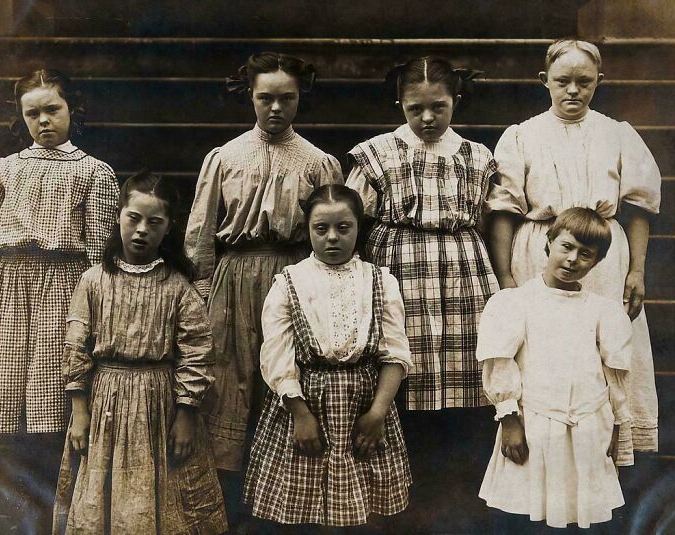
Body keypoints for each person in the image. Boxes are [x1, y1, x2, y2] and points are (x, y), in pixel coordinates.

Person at [184, 51, 343, 525]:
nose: (276, 108)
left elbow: (329, 227)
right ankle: (226, 505)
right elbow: (201, 230)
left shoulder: (318, 163)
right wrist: (203, 288)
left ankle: (285, 502)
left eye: (287, 99)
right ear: (250, 97)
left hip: (294, 276)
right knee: (229, 380)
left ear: (300, 99)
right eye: (265, 98)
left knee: (290, 378)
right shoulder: (225, 158)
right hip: (233, 279)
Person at [486, 39, 661, 463]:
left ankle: (603, 454)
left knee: (604, 346)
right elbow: (504, 210)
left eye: (584, 83)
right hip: (541, 250)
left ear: (599, 82)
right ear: (544, 81)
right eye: (563, 81)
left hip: (602, 258)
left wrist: (636, 269)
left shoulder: (618, 134)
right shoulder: (521, 136)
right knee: (543, 348)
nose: (573, 91)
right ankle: (539, 454)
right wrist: (507, 275)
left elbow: (638, 207)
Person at [346, 56, 499, 524]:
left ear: (456, 101)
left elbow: (489, 222)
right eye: (416, 109)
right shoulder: (377, 153)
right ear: (401, 104)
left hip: (461, 277)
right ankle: (399, 507)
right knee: (398, 376)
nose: (428, 118)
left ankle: (455, 507)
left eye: (438, 107)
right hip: (397, 273)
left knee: (462, 385)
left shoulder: (477, 157)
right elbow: (352, 217)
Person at [52, 171, 227, 534]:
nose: (142, 229)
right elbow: (76, 346)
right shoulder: (94, 280)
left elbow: (197, 354)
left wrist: (186, 415)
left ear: (167, 229)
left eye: (154, 222)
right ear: (119, 217)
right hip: (105, 405)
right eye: (134, 218)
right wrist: (80, 411)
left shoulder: (178, 286)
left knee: (166, 496)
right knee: (100, 497)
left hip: (158, 405)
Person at [243, 184, 412, 529]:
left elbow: (395, 354)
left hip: (365, 406)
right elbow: (277, 354)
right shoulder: (290, 282)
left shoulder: (380, 281)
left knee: (364, 511)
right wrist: (300, 414)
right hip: (305, 406)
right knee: (304, 509)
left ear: (358, 229)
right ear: (308, 231)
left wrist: (378, 412)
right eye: (321, 229)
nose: (332, 238)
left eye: (343, 228)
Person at [478, 207, 632, 529]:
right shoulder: (517, 303)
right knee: (531, 512)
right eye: (567, 247)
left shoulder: (602, 311)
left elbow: (615, 373)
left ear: (597, 262)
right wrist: (509, 420)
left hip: (589, 424)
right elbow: (501, 365)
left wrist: (618, 423)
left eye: (586, 254)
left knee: (580, 512)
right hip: (536, 424)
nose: (573, 259)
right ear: (549, 243)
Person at [0, 69, 119, 436]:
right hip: (12, 282)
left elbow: (98, 248)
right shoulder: (5, 169)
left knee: (53, 371)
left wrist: (96, 302)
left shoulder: (93, 171)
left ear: (71, 110)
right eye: (32, 114)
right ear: (21, 117)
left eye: (52, 109)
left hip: (63, 283)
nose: (43, 120)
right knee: (9, 374)